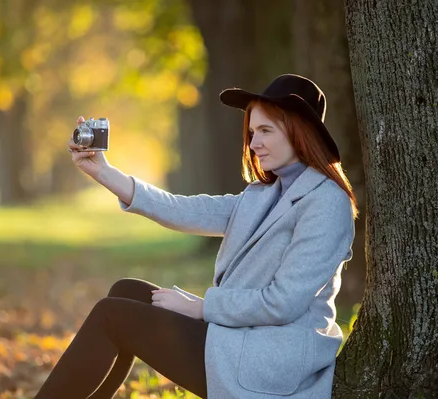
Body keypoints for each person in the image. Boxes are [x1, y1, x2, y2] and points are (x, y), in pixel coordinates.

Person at [35, 74, 358, 399]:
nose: (253, 143)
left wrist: (202, 308)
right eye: (251, 132)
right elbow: (180, 209)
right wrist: (103, 172)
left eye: (265, 131)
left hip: (271, 362)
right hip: (237, 339)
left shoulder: (327, 202)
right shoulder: (262, 194)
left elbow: (282, 303)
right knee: (127, 292)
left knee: (112, 315)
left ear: (299, 130)